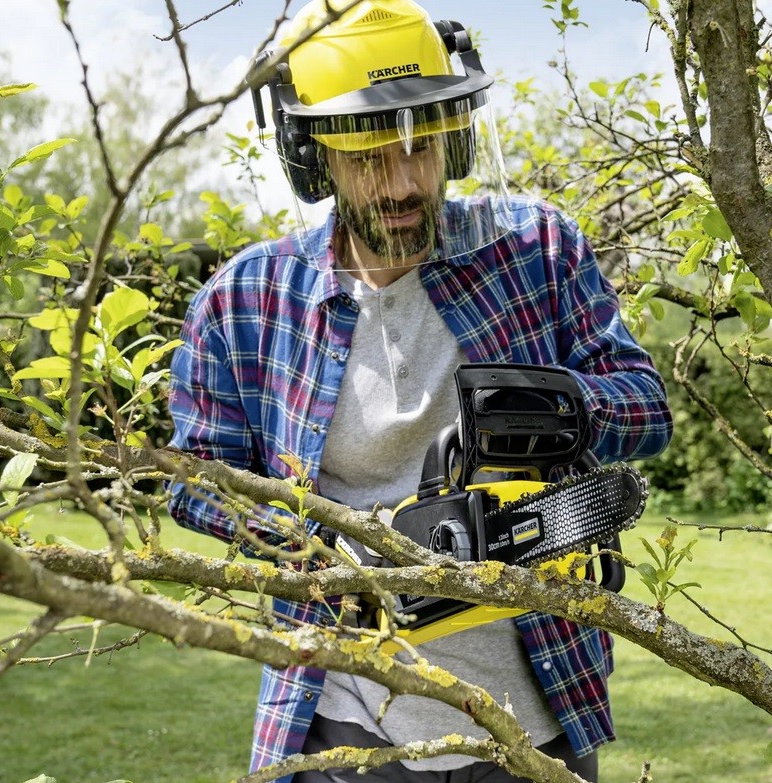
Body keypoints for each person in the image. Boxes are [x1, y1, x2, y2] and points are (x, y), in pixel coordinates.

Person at [167, 1, 672, 781]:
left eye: (423, 148)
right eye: (370, 158)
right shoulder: (246, 299)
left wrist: (568, 407)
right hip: (343, 716)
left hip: (536, 715)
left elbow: (646, 407)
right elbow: (198, 473)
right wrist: (314, 546)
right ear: (314, 158)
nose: (402, 182)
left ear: (456, 138)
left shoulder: (535, 248)